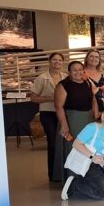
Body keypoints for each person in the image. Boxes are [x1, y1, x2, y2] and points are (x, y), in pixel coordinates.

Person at [61, 105, 104, 201]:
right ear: (102, 116)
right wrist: (92, 157)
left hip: (101, 162)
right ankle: (75, 184)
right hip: (89, 162)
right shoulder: (93, 127)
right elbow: (76, 144)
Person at [54, 61, 98, 182]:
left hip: (88, 119)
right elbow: (58, 106)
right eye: (74, 70)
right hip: (72, 120)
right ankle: (72, 178)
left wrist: (95, 116)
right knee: (74, 146)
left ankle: (87, 176)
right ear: (69, 72)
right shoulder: (63, 85)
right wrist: (64, 125)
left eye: (80, 69)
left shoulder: (87, 82)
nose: (78, 72)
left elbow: (93, 100)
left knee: (88, 146)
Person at [30, 52, 67, 182]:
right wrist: (50, 98)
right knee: (53, 142)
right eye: (54, 60)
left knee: (65, 142)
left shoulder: (66, 77)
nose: (57, 62)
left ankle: (64, 171)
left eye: (60, 60)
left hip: (62, 113)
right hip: (48, 114)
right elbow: (33, 98)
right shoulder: (42, 78)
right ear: (49, 61)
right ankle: (53, 174)